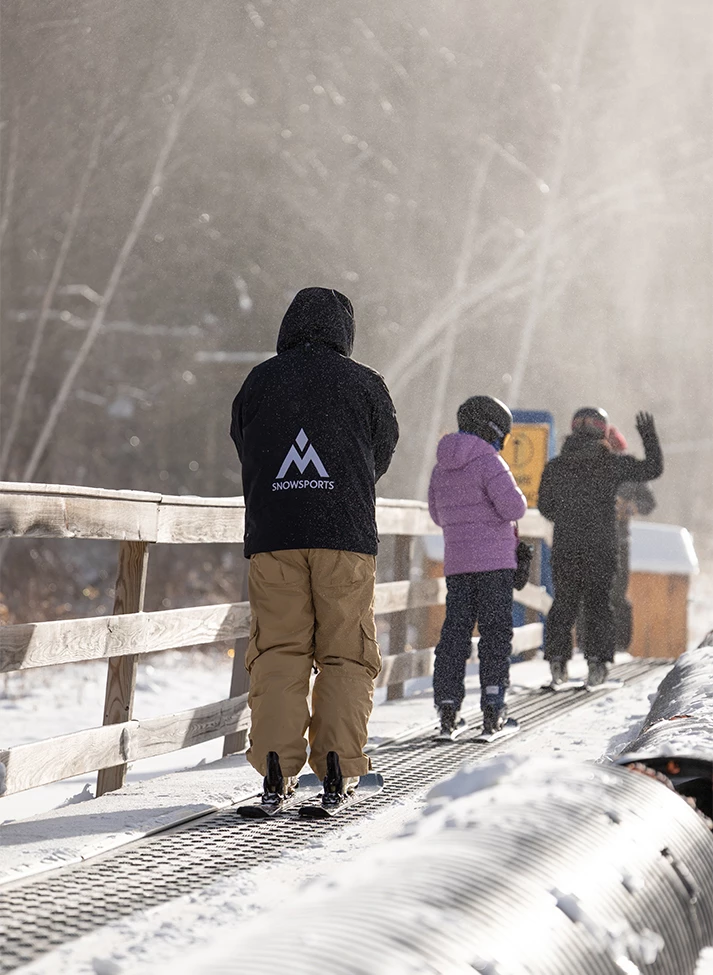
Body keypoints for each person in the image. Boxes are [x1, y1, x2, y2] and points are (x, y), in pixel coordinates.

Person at [230, 287, 398, 805]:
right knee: (346, 652)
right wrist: (339, 481)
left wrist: (286, 482)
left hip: (274, 535)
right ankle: (336, 766)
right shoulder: (365, 384)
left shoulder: (260, 380)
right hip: (343, 535)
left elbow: (242, 439)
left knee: (279, 650)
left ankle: (276, 768)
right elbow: (383, 450)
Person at [539, 408, 663, 687]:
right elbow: (653, 469)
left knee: (564, 601)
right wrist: (649, 437)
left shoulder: (555, 467)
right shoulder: (610, 464)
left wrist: (569, 514)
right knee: (598, 604)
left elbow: (546, 508)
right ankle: (597, 664)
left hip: (567, 545)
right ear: (603, 430)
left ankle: (557, 662)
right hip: (602, 545)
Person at [428, 396, 527, 737]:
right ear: (494, 429)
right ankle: (493, 707)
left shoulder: (441, 466)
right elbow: (514, 508)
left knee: (455, 634)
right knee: (495, 635)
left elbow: (437, 515)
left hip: (458, 566)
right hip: (495, 567)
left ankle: (447, 708)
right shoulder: (489, 462)